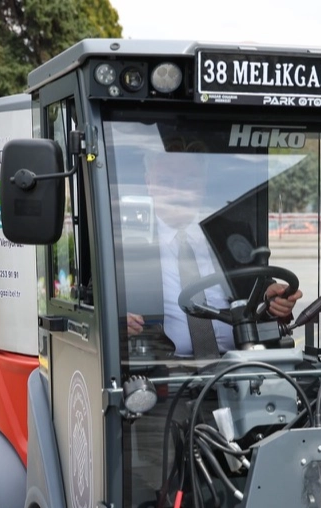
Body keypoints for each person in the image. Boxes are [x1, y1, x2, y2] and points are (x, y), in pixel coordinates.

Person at [124, 140, 301, 357]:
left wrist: (273, 298)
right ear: (149, 183)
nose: (178, 192)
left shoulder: (231, 233)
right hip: (162, 373)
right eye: (165, 181)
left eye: (189, 181)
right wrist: (119, 323)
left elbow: (258, 285)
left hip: (240, 366)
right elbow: (100, 304)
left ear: (203, 183)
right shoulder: (127, 245)